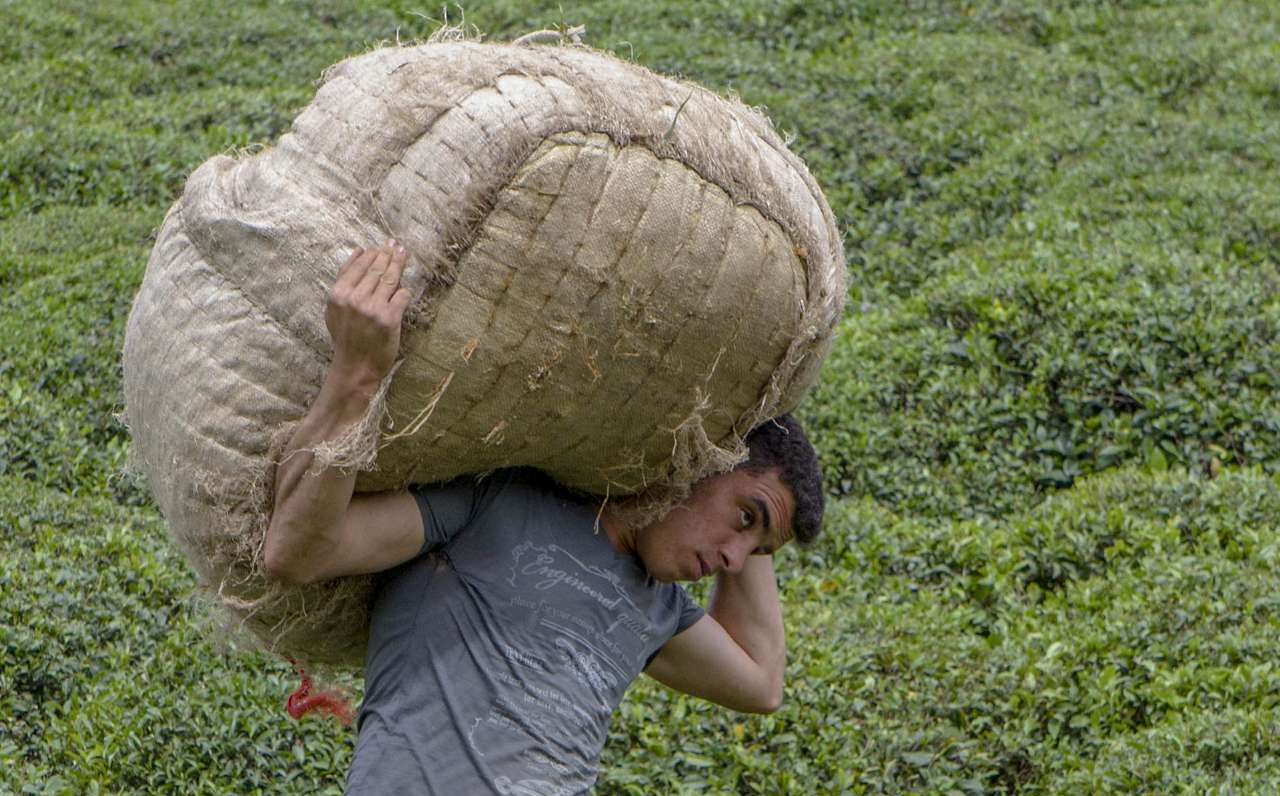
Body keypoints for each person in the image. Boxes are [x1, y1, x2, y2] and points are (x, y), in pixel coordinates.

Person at [263, 240, 826, 794]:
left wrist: (760, 481)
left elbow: (762, 684)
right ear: (706, 456)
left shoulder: (657, 607)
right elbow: (297, 551)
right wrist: (356, 374)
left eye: (756, 552)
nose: (732, 559)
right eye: (745, 518)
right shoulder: (501, 498)